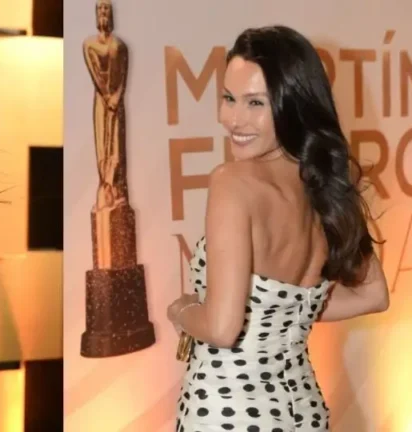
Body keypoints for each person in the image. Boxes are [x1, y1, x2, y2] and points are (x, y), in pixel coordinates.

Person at [166, 25, 389, 431]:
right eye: (229, 98)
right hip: (303, 411)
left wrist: (182, 311)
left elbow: (222, 328)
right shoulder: (324, 183)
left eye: (256, 103)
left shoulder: (232, 182)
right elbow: (374, 295)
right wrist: (286, 320)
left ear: (292, 105)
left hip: (228, 411)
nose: (233, 119)